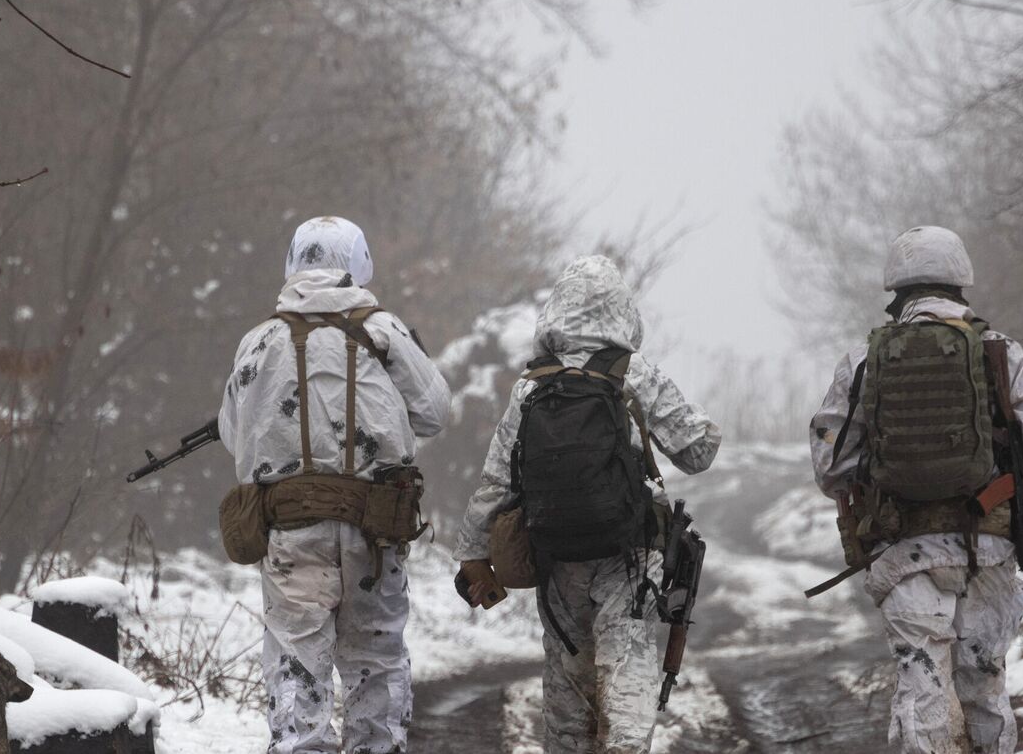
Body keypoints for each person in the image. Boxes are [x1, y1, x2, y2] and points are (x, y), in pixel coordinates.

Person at [455, 255, 722, 753]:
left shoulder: (531, 386)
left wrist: (472, 552)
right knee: (626, 669)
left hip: (555, 554)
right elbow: (699, 450)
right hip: (629, 556)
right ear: (623, 311)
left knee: (568, 677)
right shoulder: (634, 374)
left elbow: (496, 481)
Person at [808, 226, 1023, 754]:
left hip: (904, 553)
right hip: (989, 551)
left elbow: (831, 465)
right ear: (961, 285)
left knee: (922, 688)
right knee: (985, 685)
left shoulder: (864, 361)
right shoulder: (1000, 354)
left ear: (895, 292)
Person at [218, 216, 451, 754]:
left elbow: (235, 435)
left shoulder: (257, 343)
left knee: (297, 666)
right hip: (375, 530)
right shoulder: (385, 332)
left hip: (290, 531)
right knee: (377, 663)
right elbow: (435, 413)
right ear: (359, 263)